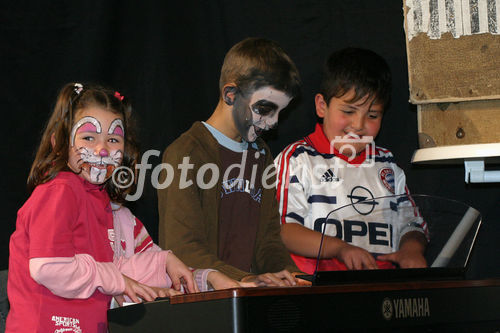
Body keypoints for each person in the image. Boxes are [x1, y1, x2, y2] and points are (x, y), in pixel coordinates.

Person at [6, 83, 248, 333]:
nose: (102, 150)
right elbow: (50, 266)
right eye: (88, 137)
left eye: (113, 139)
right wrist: (118, 280)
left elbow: (135, 271)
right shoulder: (60, 190)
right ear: (59, 142)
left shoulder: (114, 213)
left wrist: (204, 278)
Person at [158, 37, 303, 286]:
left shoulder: (262, 155)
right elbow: (182, 248)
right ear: (230, 94)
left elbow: (268, 239)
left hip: (249, 298)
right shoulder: (186, 153)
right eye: (265, 109)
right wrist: (245, 279)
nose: (274, 122)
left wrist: (292, 276)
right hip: (205, 306)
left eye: (281, 112)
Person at [275, 48, 428, 274]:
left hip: (380, 292)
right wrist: (340, 249)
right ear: (321, 106)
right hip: (316, 291)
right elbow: (283, 231)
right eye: (348, 111)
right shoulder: (298, 159)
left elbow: (413, 225)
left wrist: (411, 250)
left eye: (372, 115)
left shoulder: (386, 163)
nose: (358, 124)